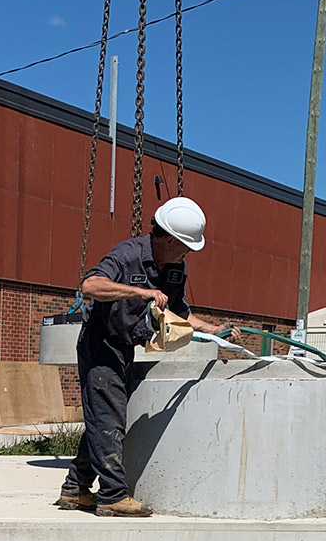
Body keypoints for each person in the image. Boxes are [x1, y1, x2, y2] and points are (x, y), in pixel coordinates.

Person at [56, 197, 235, 518]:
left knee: (103, 417)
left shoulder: (176, 267)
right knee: (110, 419)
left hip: (127, 346)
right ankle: (112, 495)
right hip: (100, 344)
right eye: (185, 247)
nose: (188, 254)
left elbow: (177, 313)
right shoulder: (127, 256)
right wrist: (140, 292)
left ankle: (75, 489)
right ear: (169, 240)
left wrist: (213, 329)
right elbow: (91, 285)